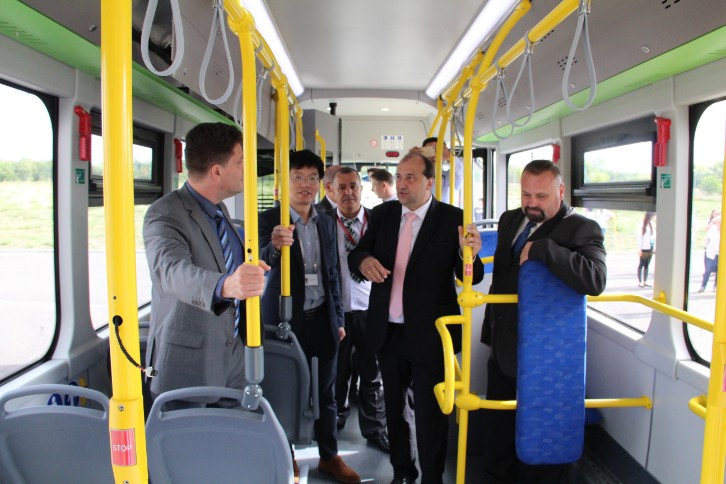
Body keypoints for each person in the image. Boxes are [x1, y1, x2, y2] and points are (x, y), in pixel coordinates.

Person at [349, 151, 484, 484]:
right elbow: (359, 252)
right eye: (399, 177)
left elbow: (471, 276)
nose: (402, 184)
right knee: (395, 410)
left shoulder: (453, 218)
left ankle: (432, 478)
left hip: (432, 333)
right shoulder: (383, 214)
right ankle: (402, 472)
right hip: (388, 332)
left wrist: (470, 254)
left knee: (430, 414)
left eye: (410, 177)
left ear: (429, 182)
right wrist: (364, 261)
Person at [480, 159, 607, 483]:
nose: (531, 203)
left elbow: (595, 279)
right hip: (502, 343)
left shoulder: (581, 228)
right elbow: (503, 277)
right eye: (526, 194)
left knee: (540, 433)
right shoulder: (510, 219)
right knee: (498, 428)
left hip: (545, 353)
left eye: (541, 196)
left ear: (561, 191)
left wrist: (543, 249)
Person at [143, 122, 269, 407]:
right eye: (241, 161)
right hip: (189, 364)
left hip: (234, 356)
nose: (247, 169)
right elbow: (171, 271)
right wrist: (226, 285)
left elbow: (219, 260)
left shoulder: (219, 210)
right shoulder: (165, 214)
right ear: (217, 171)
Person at [259, 150, 360, 483]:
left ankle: (329, 456)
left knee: (327, 393)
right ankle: (285, 456)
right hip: (283, 322)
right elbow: (258, 263)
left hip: (322, 318)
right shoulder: (267, 220)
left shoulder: (327, 221)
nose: (305, 185)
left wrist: (339, 319)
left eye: (312, 178)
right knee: (283, 391)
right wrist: (275, 247)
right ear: (285, 181)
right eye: (298, 177)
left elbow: (332, 273)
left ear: (321, 183)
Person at [325, 167, 389, 453]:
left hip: (371, 308)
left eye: (353, 186)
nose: (348, 192)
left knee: (372, 373)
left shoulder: (379, 222)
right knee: (337, 371)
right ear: (331, 191)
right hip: (337, 309)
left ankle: (375, 428)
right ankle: (335, 419)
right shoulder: (323, 222)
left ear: (361, 190)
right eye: (342, 187)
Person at [422, 136, 464, 205]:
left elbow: (463, 169)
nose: (433, 155)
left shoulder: (450, 177)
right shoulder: (417, 175)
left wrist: (450, 157)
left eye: (437, 150)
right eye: (428, 150)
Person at [700, 215, 720, 292]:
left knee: (719, 271)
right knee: (708, 270)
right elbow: (707, 239)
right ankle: (703, 286)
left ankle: (716, 286)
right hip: (711, 253)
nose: (719, 224)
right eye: (718, 222)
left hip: (720, 254)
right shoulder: (712, 230)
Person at [637, 212, 656, 288]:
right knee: (641, 264)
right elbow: (639, 237)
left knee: (647, 264)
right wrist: (639, 248)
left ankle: (645, 281)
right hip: (644, 247)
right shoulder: (641, 224)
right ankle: (640, 281)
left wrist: (654, 247)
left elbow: (654, 236)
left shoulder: (652, 224)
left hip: (650, 247)